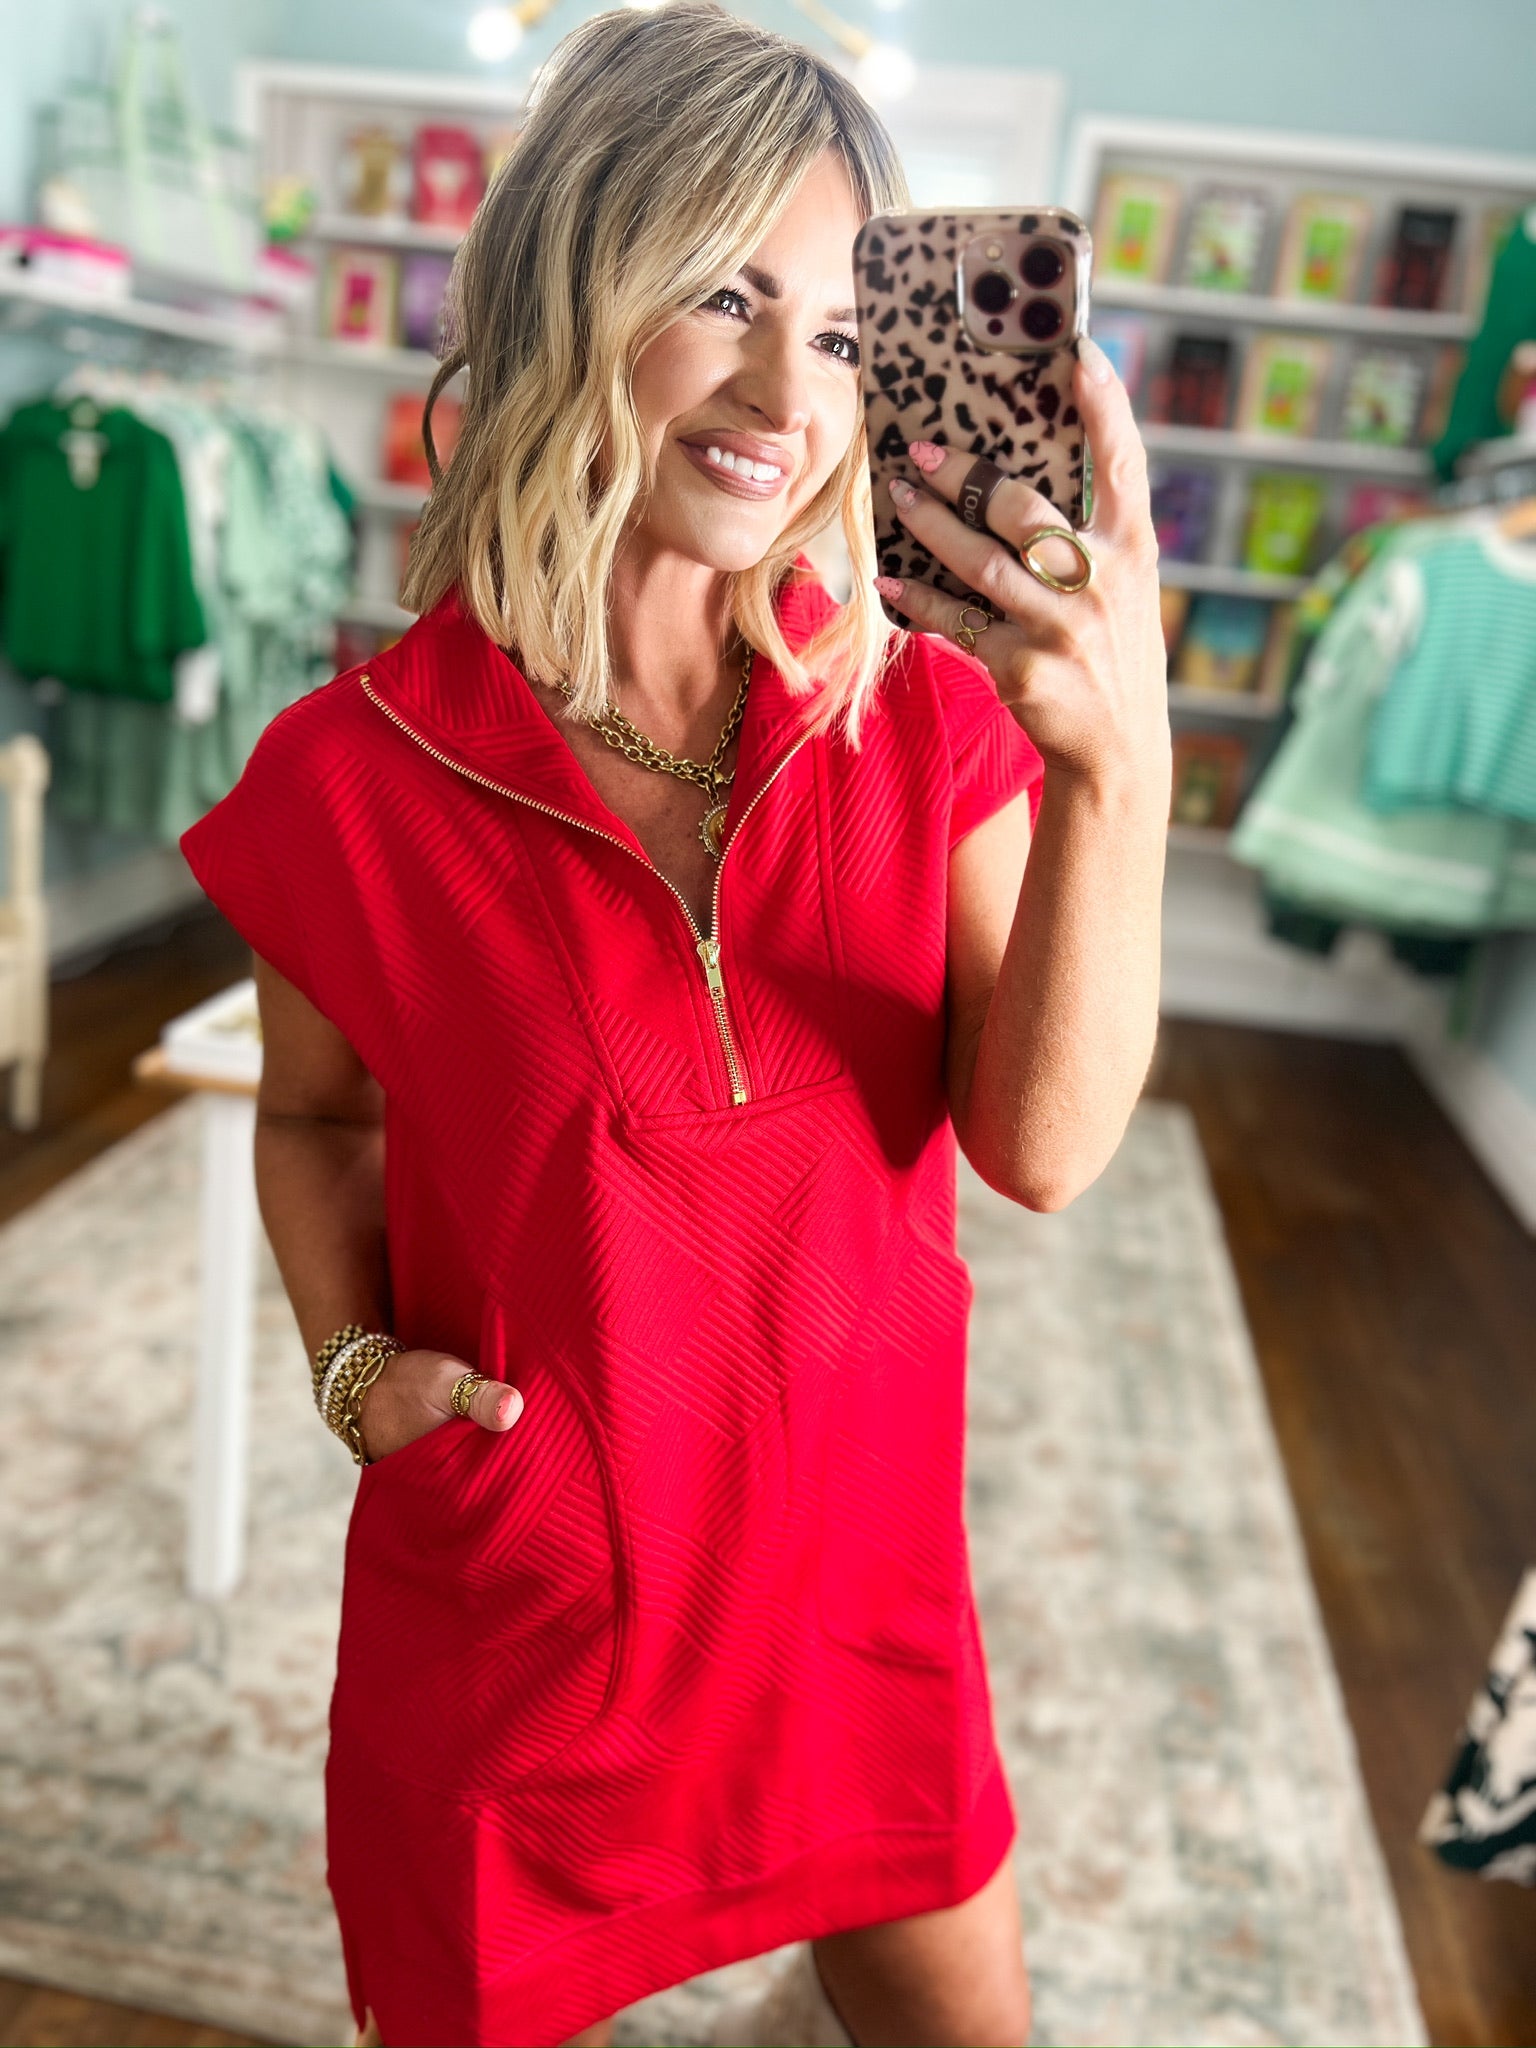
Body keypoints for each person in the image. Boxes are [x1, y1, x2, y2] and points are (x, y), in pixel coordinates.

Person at [178, 6, 1168, 2044]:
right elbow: (314, 1122)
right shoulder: (346, 778)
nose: (787, 394)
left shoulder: (926, 718)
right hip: (529, 1644)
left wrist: (1117, 770)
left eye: (841, 331)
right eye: (724, 293)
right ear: (572, 283)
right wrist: (353, 1367)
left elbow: (1046, 1152)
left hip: (860, 1622)